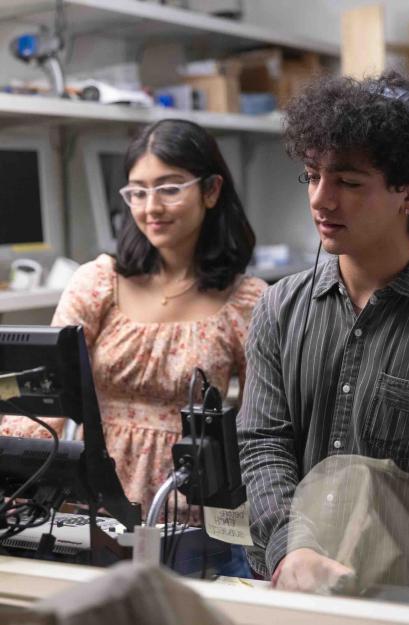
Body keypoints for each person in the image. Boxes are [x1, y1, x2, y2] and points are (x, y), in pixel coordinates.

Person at [237, 71, 409, 611]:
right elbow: (263, 444)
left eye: (349, 183)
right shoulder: (278, 309)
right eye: (312, 175)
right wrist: (289, 551)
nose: (320, 199)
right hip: (297, 600)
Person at [1, 118, 267, 525]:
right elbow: (41, 395)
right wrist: (19, 478)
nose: (151, 207)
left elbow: (257, 431)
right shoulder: (99, 282)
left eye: (169, 187)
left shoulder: (248, 301)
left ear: (211, 190)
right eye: (137, 192)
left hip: (189, 513)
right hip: (93, 505)